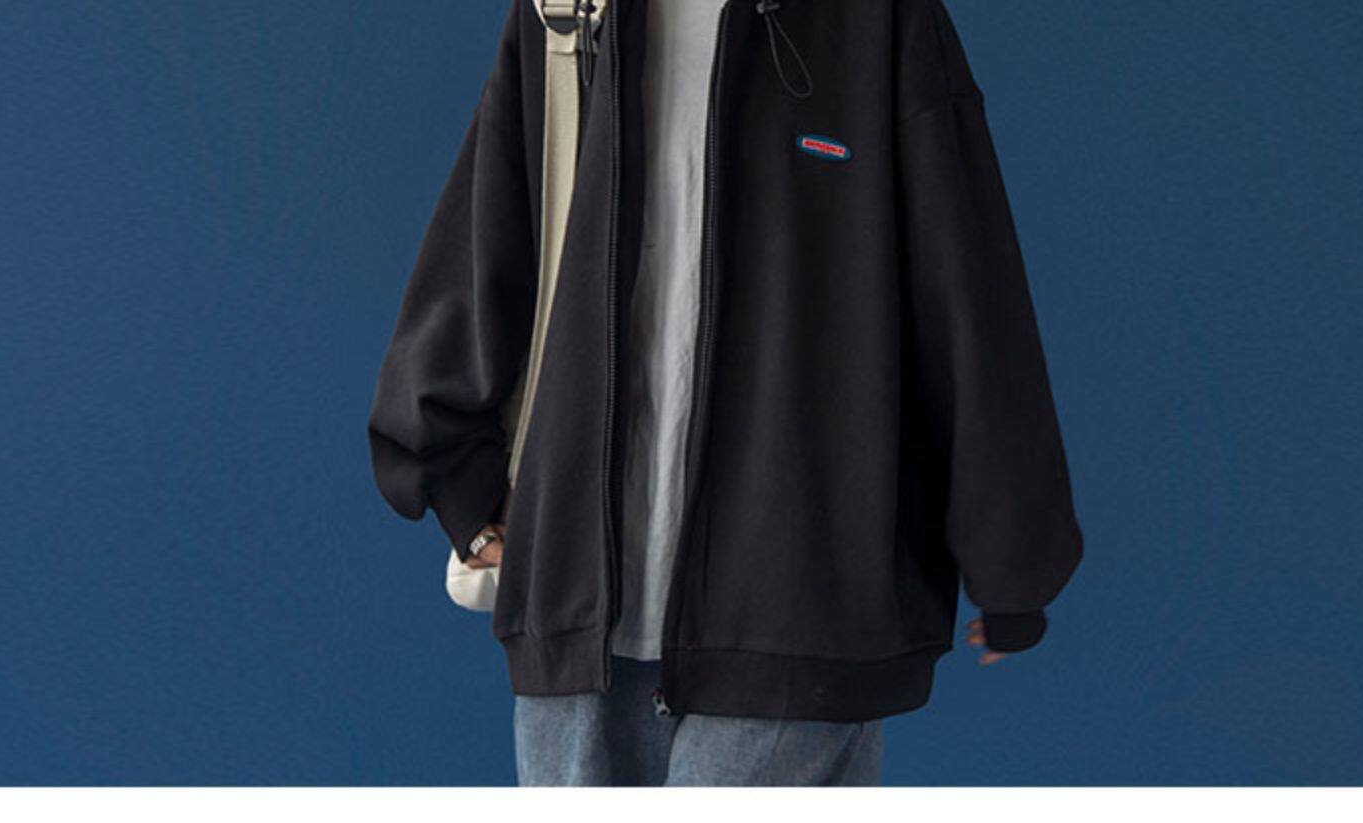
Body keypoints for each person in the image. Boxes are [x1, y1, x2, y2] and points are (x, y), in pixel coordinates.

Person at [367, 0, 1083, 787]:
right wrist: (458, 484)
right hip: (580, 617)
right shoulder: (563, 10)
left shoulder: (877, 19)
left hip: (795, 614)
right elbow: (488, 229)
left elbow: (963, 280)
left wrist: (1012, 555)